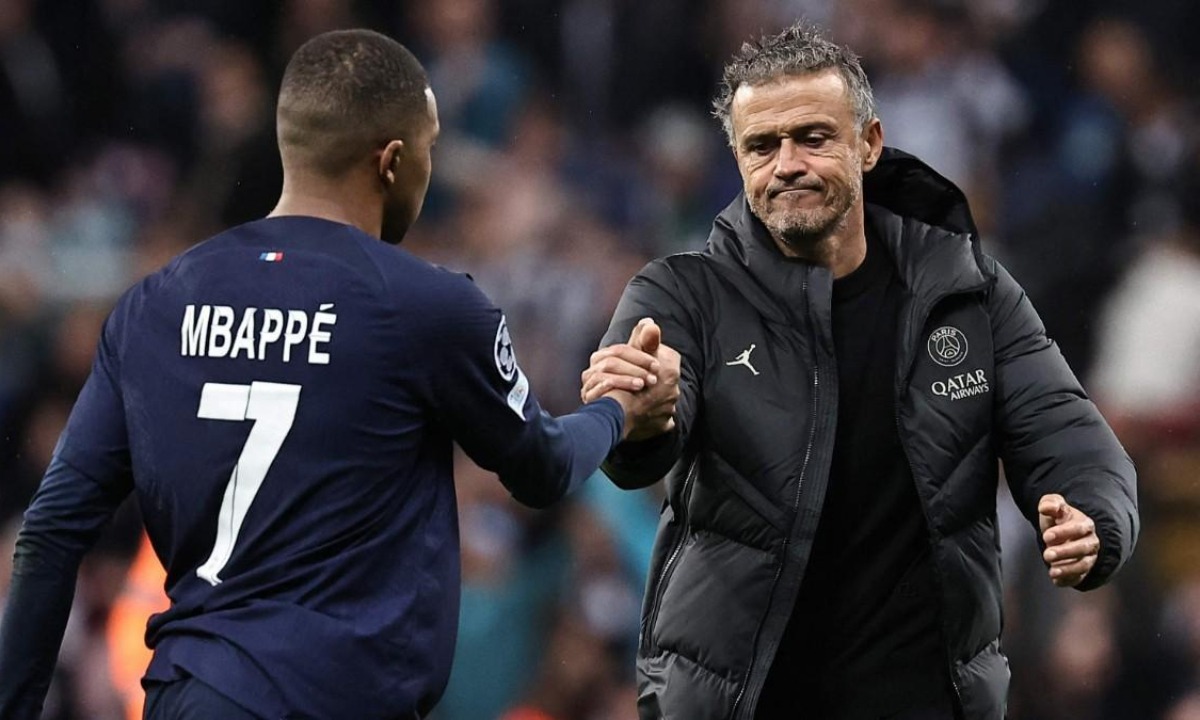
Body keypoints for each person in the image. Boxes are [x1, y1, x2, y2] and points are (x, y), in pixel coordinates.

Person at [0, 29, 678, 720]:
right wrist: (619, 409)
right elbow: (542, 467)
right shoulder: (426, 305)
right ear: (391, 161)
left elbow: (52, 529)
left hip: (189, 697)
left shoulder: (155, 302)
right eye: (431, 150)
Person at [581, 22, 1138, 720]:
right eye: (762, 145)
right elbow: (639, 441)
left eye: (813, 137)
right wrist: (641, 418)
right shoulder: (681, 295)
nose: (787, 163)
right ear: (738, 158)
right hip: (744, 704)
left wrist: (1094, 520)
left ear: (868, 144)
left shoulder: (970, 294)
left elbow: (1071, 439)